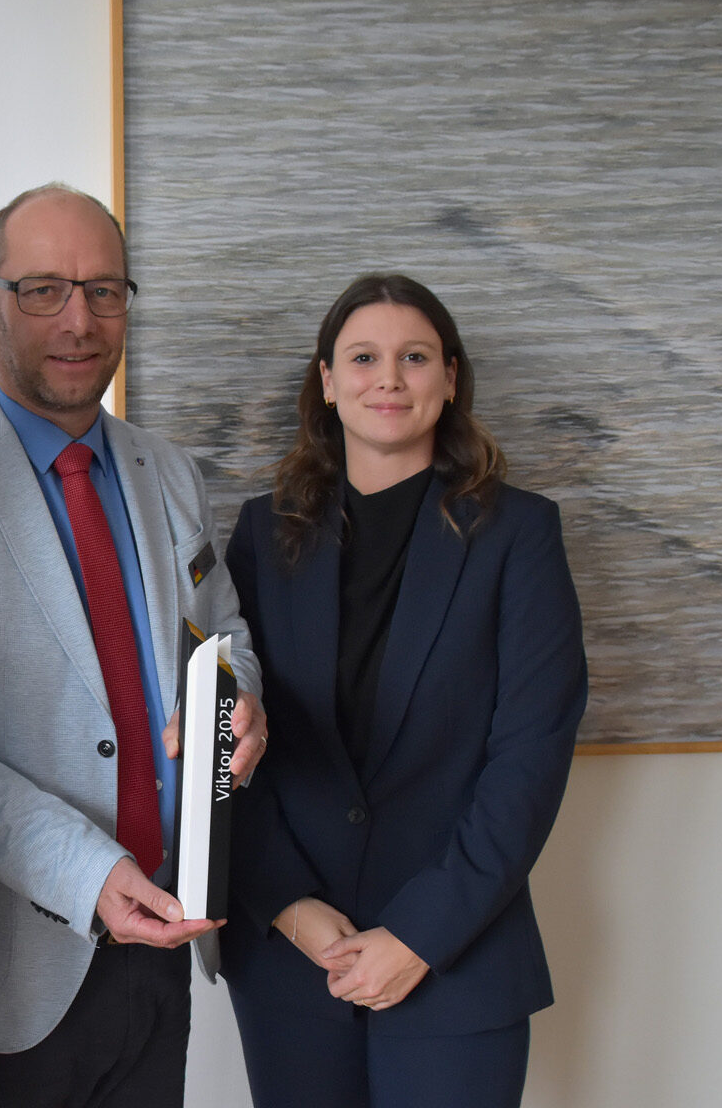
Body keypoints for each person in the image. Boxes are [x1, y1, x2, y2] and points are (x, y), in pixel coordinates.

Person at [0, 183, 265, 1108]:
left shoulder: (170, 472)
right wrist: (87, 873)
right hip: (6, 974)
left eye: (103, 291)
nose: (79, 321)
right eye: (43, 289)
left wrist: (239, 701)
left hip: (164, 947)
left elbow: (225, 635)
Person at [221, 273, 588, 1107]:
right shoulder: (262, 535)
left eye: (415, 357)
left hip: (459, 957)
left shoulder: (520, 534)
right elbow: (232, 735)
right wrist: (288, 906)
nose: (388, 378)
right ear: (327, 381)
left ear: (450, 378)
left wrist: (420, 934)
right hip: (292, 964)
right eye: (363, 358)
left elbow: (529, 759)